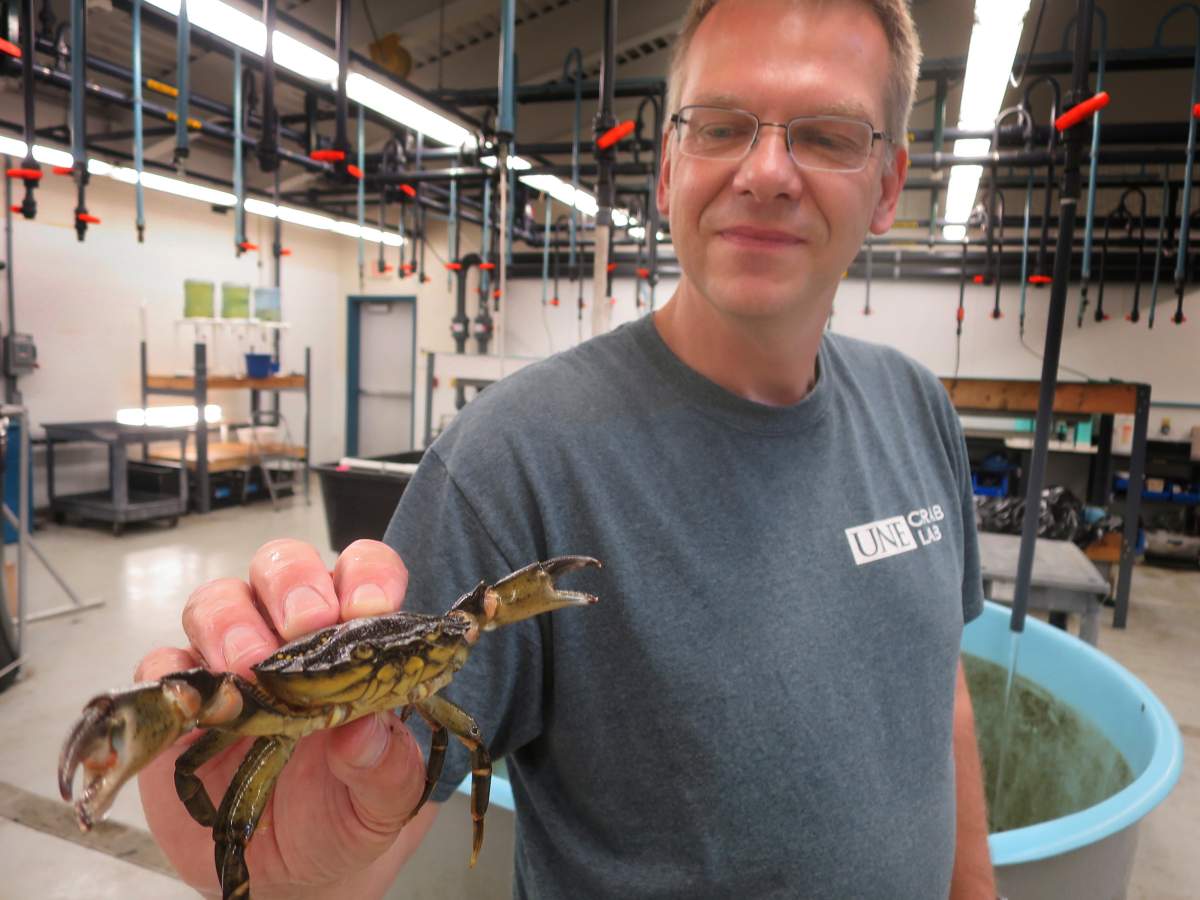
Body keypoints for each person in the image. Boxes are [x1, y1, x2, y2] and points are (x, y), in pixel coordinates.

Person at [135, 0, 997, 896]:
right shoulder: (516, 463)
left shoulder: (917, 407)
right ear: (668, 170)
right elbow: (365, 803)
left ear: (890, 184)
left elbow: (943, 692)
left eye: (825, 134)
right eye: (720, 126)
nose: (767, 170)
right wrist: (293, 869)